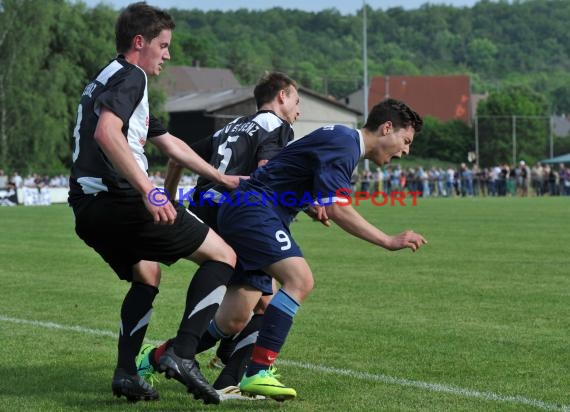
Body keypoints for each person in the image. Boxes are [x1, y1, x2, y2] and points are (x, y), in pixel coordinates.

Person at [68, 2, 240, 405]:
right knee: (223, 257)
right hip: (122, 200)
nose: (168, 54)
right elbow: (107, 135)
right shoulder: (133, 76)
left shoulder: (105, 79)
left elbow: (169, 143)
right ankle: (183, 353)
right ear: (139, 42)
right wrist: (151, 189)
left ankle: (127, 374)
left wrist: (219, 177)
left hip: (87, 209)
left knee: (148, 275)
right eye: (163, 45)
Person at [202, 98, 427, 401]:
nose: (405, 150)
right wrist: (388, 240)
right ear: (387, 128)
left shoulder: (341, 140)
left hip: (248, 210)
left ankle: (161, 355)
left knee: (233, 318)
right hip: (254, 212)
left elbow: (288, 169)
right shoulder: (345, 144)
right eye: (406, 140)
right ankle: (257, 372)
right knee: (300, 280)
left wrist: (307, 204)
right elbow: (337, 209)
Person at [137, 71, 301, 401]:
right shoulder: (278, 128)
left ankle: (232, 375)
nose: (298, 110)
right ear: (281, 96)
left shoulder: (232, 126)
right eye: (297, 101)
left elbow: (176, 156)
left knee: (267, 306)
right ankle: (157, 357)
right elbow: (266, 174)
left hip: (205, 210)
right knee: (235, 317)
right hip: (238, 217)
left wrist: (168, 198)